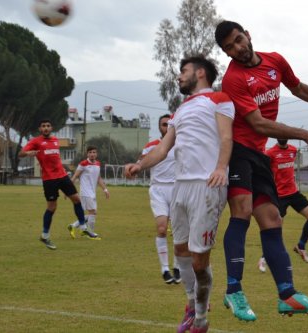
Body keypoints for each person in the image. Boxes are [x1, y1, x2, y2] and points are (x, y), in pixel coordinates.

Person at [214, 20, 308, 320]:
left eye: (238, 40)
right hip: (238, 151)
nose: (237, 49)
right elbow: (257, 123)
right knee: (242, 211)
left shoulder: (275, 60)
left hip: (257, 155)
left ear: (248, 34)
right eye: (229, 48)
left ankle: (288, 295)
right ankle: (234, 291)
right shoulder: (233, 78)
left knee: (272, 219)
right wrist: (305, 133)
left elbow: (299, 89)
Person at [125, 56, 234, 333]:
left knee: (199, 260)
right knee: (180, 250)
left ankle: (200, 319)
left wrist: (221, 167)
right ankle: (190, 304)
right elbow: (162, 150)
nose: (178, 76)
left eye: (182, 71)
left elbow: (226, 137)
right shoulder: (180, 110)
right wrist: (140, 164)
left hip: (207, 185)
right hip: (180, 186)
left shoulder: (220, 99)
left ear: (200, 73)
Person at [18, 119, 99, 250]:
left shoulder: (55, 140)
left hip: (62, 176)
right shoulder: (36, 141)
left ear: (51, 128)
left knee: (77, 200)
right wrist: (28, 153)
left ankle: (83, 228)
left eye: (48, 126)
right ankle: (45, 235)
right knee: (52, 207)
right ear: (40, 128)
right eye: (43, 126)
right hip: (49, 179)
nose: (45, 128)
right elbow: (20, 153)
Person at [258, 139, 308, 273]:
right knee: (274, 228)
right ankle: (264, 257)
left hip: (294, 193)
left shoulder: (293, 150)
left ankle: (301, 246)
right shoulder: (270, 153)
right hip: (279, 196)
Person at [139, 114, 180, 285]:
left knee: (179, 231)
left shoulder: (180, 145)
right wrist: (135, 169)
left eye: (168, 124)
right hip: (158, 190)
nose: (166, 127)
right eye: (163, 124)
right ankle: (165, 269)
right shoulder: (151, 147)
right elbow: (141, 162)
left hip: (178, 189)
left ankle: (177, 266)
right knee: (162, 228)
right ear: (159, 127)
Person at [67, 145, 109, 239]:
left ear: (96, 154)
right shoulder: (83, 164)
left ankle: (73, 226)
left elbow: (98, 178)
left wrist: (105, 189)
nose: (92, 154)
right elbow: (75, 176)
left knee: (92, 213)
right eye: (90, 152)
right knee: (92, 212)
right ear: (87, 154)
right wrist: (68, 189)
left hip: (92, 192)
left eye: (94, 152)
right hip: (85, 192)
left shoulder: (98, 164)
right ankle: (91, 233)